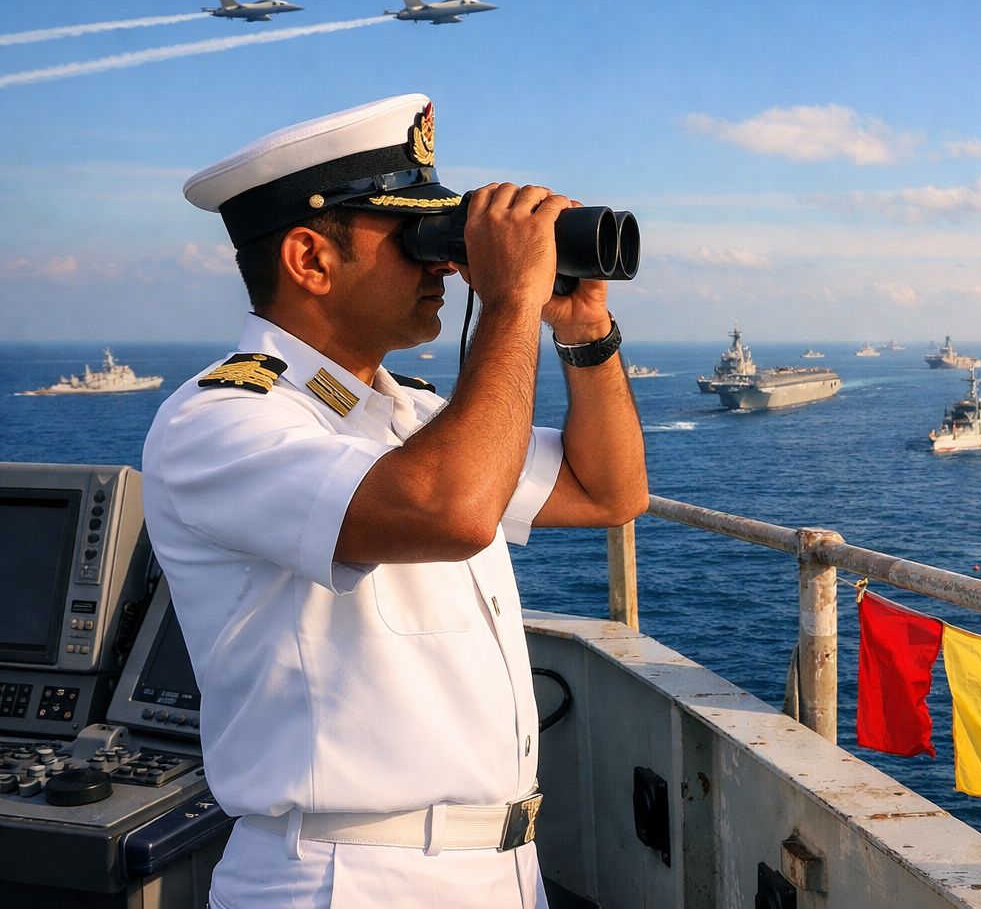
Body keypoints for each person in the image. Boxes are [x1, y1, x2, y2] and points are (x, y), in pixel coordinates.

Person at [142, 94, 648, 908]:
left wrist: (582, 328)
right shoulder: (218, 422)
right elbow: (449, 512)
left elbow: (609, 493)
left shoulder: (411, 416)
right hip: (347, 877)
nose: (446, 265)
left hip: (499, 867)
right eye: (417, 240)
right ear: (310, 260)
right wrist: (513, 300)